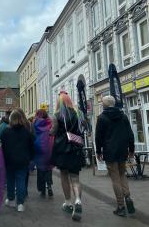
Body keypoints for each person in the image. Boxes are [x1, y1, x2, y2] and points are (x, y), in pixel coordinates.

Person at [95, 95, 136, 217]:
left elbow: (98, 137)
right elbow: (130, 134)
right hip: (122, 150)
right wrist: (131, 149)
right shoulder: (123, 116)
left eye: (102, 103)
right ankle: (127, 197)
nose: (102, 105)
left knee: (115, 178)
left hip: (110, 151)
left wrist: (98, 151)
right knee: (122, 174)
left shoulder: (102, 118)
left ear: (105, 105)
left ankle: (121, 206)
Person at [50, 91, 85, 221]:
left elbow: (53, 131)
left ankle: (68, 202)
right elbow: (84, 128)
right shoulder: (78, 113)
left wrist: (50, 132)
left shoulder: (56, 115)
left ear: (59, 103)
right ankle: (78, 201)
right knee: (75, 178)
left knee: (64, 175)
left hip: (62, 150)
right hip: (76, 148)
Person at [1, 109, 35, 212]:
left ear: (10, 119)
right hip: (23, 161)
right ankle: (20, 203)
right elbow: (31, 146)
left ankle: (11, 199)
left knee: (10, 180)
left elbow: (1, 146)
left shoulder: (5, 132)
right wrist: (30, 158)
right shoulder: (26, 132)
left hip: (9, 161)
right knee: (21, 181)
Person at [33, 107, 54, 198]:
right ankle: (49, 185)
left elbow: (32, 136)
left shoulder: (34, 123)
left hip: (38, 148)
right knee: (48, 169)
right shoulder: (50, 123)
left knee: (40, 170)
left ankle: (42, 190)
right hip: (49, 148)